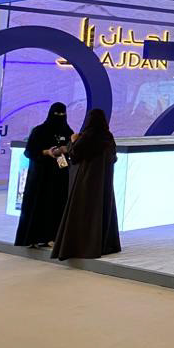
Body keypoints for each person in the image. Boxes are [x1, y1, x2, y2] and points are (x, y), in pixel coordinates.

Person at [51, 109, 121, 261]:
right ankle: (103, 244)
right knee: (101, 211)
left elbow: (75, 154)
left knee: (83, 211)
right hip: (103, 183)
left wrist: (73, 140)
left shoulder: (87, 136)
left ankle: (82, 245)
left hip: (86, 182)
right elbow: (114, 158)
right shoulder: (108, 137)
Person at [14, 103, 74, 248]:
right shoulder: (39, 131)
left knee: (56, 206)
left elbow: (73, 151)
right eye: (57, 114)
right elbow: (29, 151)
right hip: (40, 176)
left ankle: (52, 237)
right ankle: (33, 238)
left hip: (60, 176)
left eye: (62, 114)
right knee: (38, 205)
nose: (60, 117)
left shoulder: (68, 132)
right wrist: (46, 152)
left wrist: (66, 149)